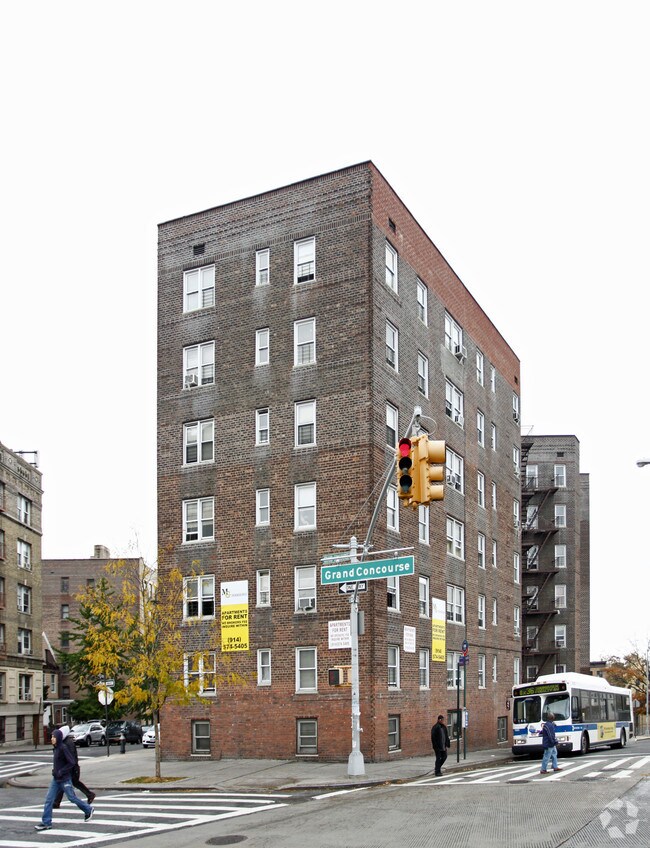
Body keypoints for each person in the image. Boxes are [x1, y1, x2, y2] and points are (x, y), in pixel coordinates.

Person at [34, 728, 94, 831]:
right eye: (51, 736)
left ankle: (88, 809)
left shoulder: (63, 748)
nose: (52, 738)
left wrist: (61, 771)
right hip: (56, 780)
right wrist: (55, 771)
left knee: (72, 798)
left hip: (65, 779)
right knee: (49, 800)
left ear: (58, 738)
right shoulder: (56, 748)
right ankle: (46, 822)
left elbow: (71, 762)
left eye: (53, 737)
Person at [52, 725, 96, 809]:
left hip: (72, 768)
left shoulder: (68, 743)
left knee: (69, 783)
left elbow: (71, 758)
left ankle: (89, 795)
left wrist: (68, 768)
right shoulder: (65, 742)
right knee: (68, 783)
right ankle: (57, 802)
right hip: (70, 768)